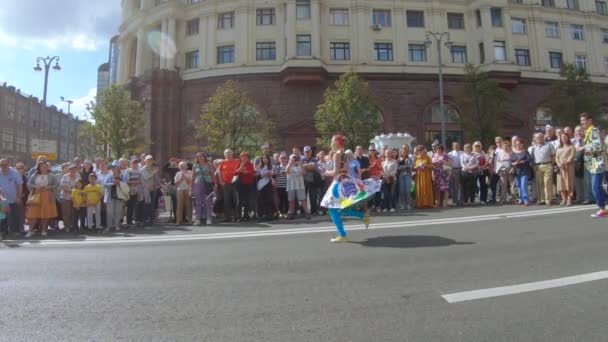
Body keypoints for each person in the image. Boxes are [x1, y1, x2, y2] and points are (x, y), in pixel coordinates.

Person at [320, 134, 373, 243]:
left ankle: (343, 234)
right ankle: (362, 216)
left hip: (338, 182)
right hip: (342, 181)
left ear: (337, 142)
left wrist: (326, 172)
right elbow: (346, 167)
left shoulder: (337, 155)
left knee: (332, 209)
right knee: (340, 208)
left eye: (332, 141)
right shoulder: (344, 153)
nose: (330, 143)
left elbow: (335, 172)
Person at [580, 113, 606, 218]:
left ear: (590, 120)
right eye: (581, 121)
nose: (582, 123)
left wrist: (583, 148)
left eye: (584, 120)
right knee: (597, 187)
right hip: (592, 164)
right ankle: (603, 206)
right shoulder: (588, 132)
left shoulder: (593, 130)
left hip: (597, 163)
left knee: (595, 187)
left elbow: (598, 146)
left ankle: (602, 208)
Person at [26, 161, 58, 237]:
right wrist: (35, 187)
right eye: (42, 166)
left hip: (47, 196)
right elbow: (28, 184)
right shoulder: (34, 175)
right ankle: (30, 231)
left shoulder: (51, 175)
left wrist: (48, 187)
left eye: (45, 166)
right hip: (36, 196)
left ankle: (44, 230)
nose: (44, 167)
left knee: (45, 214)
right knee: (33, 214)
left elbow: (56, 184)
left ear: (47, 167)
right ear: (39, 167)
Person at [0, 158, 23, 239]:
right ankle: (3, 231)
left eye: (5, 165)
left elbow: (19, 185)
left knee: (15, 215)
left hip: (14, 198)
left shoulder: (15, 173)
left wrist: (18, 197)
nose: (3, 167)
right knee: (2, 216)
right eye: (1, 165)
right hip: (2, 199)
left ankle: (15, 231)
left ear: (8, 165)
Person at [192, 152, 215, 226]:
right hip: (197, 184)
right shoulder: (195, 166)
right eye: (198, 157)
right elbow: (192, 177)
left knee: (208, 201)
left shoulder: (209, 164)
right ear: (197, 158)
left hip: (208, 184)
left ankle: (209, 218)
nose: (200, 158)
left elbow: (213, 175)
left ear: (204, 157)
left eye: (201, 156)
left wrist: (215, 184)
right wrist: (191, 188)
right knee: (198, 202)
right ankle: (197, 219)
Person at [286, 154, 310, 220]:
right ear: (289, 159)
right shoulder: (288, 165)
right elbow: (287, 171)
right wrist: (290, 163)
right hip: (291, 186)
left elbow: (304, 173)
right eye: (292, 158)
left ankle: (307, 213)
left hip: (300, 185)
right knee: (291, 200)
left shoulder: (300, 165)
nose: (294, 160)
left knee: (303, 200)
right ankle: (291, 213)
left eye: (295, 159)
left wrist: (300, 164)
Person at [218, 149, 240, 222]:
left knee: (236, 200)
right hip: (226, 183)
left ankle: (237, 217)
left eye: (230, 153)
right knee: (227, 201)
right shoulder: (222, 162)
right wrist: (221, 181)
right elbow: (220, 172)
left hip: (235, 183)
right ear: (224, 155)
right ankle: (228, 217)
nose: (228, 154)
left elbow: (240, 170)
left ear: (232, 154)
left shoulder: (236, 161)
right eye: (227, 153)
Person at [103, 164, 127, 232]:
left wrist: (119, 183)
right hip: (110, 196)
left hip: (119, 196)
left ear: (118, 168)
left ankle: (116, 225)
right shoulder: (109, 175)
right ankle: (109, 226)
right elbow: (105, 184)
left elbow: (125, 185)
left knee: (118, 211)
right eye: (112, 168)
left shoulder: (122, 176)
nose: (113, 169)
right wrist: (112, 183)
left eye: (114, 167)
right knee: (110, 212)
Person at [555, 132, 576, 206]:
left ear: (568, 137)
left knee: (569, 183)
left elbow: (572, 156)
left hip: (569, 167)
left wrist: (567, 162)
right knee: (561, 184)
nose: (564, 138)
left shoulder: (571, 146)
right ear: (560, 138)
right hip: (560, 168)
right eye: (562, 137)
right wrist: (559, 164)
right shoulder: (558, 147)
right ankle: (564, 199)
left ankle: (569, 199)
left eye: (565, 137)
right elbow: (556, 158)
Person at [59, 163, 79, 233]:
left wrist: (74, 191)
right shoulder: (65, 176)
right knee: (66, 213)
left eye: (74, 168)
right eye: (71, 169)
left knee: (74, 213)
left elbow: (79, 185)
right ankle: (67, 227)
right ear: (69, 169)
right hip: (65, 197)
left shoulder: (78, 176)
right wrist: (72, 191)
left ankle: (73, 226)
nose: (72, 170)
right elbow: (63, 186)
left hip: (75, 198)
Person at [235, 152, 255, 222]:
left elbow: (252, 173)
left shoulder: (250, 164)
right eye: (243, 157)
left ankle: (246, 215)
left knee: (247, 201)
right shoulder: (238, 164)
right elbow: (234, 173)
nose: (244, 158)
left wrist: (246, 172)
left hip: (248, 184)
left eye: (246, 157)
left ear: (248, 158)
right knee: (240, 201)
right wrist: (239, 169)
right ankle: (238, 216)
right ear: (241, 158)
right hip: (240, 185)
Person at [511, 138, 531, 206]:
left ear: (522, 144)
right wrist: (515, 163)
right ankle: (520, 199)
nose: (518, 145)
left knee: (523, 185)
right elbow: (511, 162)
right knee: (518, 186)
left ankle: (526, 200)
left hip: (524, 171)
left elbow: (528, 160)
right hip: (516, 171)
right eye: (516, 144)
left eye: (519, 144)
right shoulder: (513, 153)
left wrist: (521, 162)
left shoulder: (525, 152)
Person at [256, 153, 275, 222]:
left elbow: (273, 175)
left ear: (268, 159)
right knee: (260, 201)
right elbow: (256, 175)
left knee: (269, 200)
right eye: (263, 158)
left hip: (268, 185)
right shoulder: (259, 167)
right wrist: (262, 174)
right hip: (260, 186)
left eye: (266, 158)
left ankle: (269, 215)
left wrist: (270, 173)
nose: (265, 159)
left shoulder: (271, 166)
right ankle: (261, 215)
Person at [397, 144, 413, 210]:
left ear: (407, 152)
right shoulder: (398, 159)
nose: (404, 153)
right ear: (401, 152)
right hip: (401, 175)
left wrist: (404, 166)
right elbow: (397, 168)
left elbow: (410, 166)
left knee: (407, 190)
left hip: (407, 175)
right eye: (403, 151)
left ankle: (408, 204)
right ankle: (402, 204)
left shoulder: (409, 159)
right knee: (402, 190)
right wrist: (402, 167)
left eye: (405, 151)